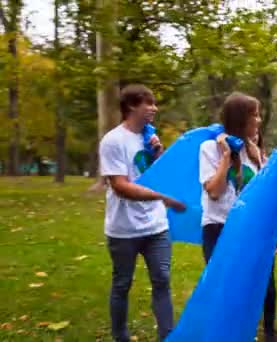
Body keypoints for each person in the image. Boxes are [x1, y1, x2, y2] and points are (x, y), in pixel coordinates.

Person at [99, 84, 186, 342]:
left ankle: (167, 336)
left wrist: (158, 152)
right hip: (123, 229)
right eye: (148, 103)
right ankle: (120, 336)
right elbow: (121, 186)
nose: (154, 109)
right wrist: (163, 197)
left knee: (162, 280)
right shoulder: (113, 141)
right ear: (131, 107)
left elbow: (161, 176)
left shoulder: (149, 138)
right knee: (122, 284)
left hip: (156, 227)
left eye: (154, 103)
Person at [198, 92, 277, 342]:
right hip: (219, 228)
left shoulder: (254, 150)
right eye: (254, 114)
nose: (258, 119)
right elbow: (213, 191)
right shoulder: (210, 147)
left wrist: (271, 231)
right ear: (240, 118)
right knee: (224, 287)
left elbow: (266, 195)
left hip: (253, 229)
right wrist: (225, 156)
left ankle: (268, 333)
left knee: (266, 284)